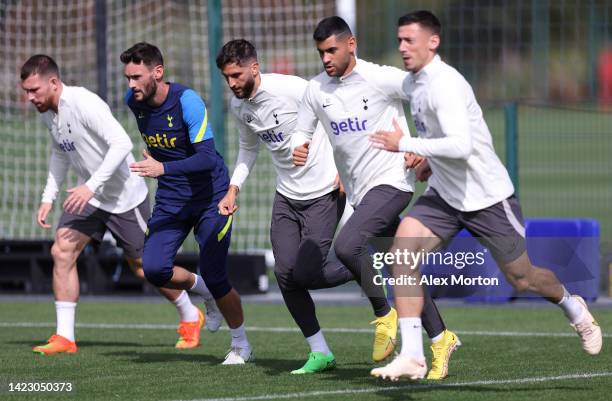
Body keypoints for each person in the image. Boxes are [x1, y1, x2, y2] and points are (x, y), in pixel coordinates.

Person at [369, 10, 603, 381]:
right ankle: (413, 356)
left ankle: (573, 308)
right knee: (401, 254)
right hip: (445, 196)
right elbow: (442, 140)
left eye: (409, 40)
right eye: (399, 40)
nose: (402, 47)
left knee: (522, 279)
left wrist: (406, 144)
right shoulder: (413, 84)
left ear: (433, 42)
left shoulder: (445, 84)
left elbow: (461, 146)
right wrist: (427, 157)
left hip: (487, 199)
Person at [291, 17, 460, 379]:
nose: (326, 58)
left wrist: (422, 147)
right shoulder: (316, 90)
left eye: (332, 50)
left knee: (348, 245)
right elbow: (301, 133)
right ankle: (441, 337)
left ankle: (384, 313)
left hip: (393, 183)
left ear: (351, 44)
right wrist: (298, 148)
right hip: (360, 193)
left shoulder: (380, 78)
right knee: (403, 268)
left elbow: (429, 96)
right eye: (321, 52)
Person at [20, 54, 203, 355]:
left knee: (146, 269)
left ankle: (189, 314)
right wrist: (47, 197)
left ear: (53, 83)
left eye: (34, 90)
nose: (30, 97)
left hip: (124, 197)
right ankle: (65, 337)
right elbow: (59, 153)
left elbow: (122, 143)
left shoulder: (83, 103)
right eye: (26, 91)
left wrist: (91, 186)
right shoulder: (47, 112)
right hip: (89, 197)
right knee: (61, 251)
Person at [216, 39, 358, 373]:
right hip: (286, 197)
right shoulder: (240, 108)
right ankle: (320, 351)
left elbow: (338, 117)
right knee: (284, 274)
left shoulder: (294, 89)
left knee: (306, 273)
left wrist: (344, 168)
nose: (232, 83)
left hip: (324, 192)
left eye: (236, 75)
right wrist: (233, 188)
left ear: (254, 67)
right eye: (226, 77)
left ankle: (363, 266)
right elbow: (248, 149)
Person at [121, 42, 252, 364]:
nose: (131, 85)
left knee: (216, 271)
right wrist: (159, 161)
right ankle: (203, 290)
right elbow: (162, 144)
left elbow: (207, 159)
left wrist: (161, 167)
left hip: (212, 197)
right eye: (127, 78)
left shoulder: (187, 102)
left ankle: (241, 345)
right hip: (171, 198)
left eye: (137, 77)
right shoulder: (133, 102)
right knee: (152, 268)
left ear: (158, 72)